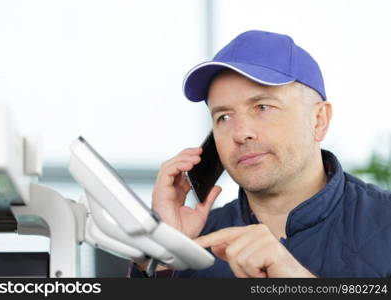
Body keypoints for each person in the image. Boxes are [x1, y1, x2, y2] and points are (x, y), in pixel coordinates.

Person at [129, 30, 391, 278]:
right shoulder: (193, 240)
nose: (241, 133)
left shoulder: (384, 221)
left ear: (319, 120)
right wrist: (163, 255)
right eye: (224, 116)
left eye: (262, 107)